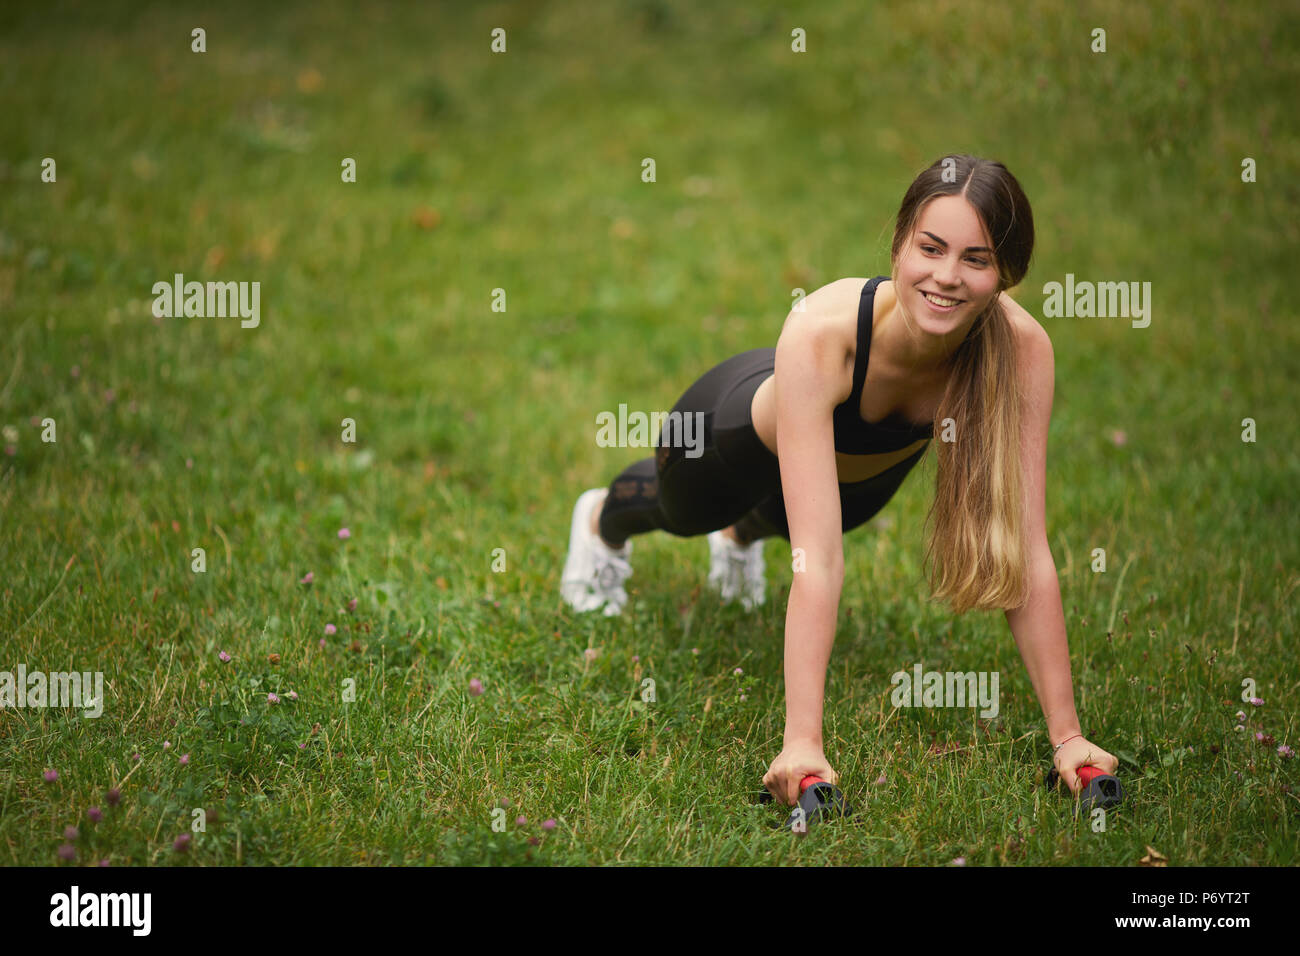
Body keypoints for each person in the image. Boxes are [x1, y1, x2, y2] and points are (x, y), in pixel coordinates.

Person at [559, 154, 1119, 808]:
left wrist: (1068, 737)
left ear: (1007, 273)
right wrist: (803, 742)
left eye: (976, 258)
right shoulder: (824, 334)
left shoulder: (1022, 353)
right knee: (679, 513)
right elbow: (817, 561)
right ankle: (600, 521)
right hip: (726, 440)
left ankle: (741, 538)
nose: (945, 276)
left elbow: (1025, 549)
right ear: (897, 245)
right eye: (930, 249)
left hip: (857, 477)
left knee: (799, 519)